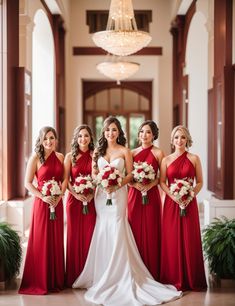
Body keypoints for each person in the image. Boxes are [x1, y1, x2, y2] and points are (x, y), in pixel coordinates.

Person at [72, 116, 182, 306]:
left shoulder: (125, 151)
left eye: (114, 130)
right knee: (103, 228)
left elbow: (130, 174)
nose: (110, 133)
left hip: (118, 194)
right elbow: (94, 174)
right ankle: (102, 273)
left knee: (117, 225)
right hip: (101, 195)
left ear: (119, 132)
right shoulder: (97, 151)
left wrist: (116, 184)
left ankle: (120, 273)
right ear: (103, 132)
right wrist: (103, 183)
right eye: (107, 130)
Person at [19, 126, 67, 295]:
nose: (49, 141)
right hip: (42, 204)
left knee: (55, 239)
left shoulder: (61, 157)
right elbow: (27, 183)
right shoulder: (35, 158)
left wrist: (59, 196)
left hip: (57, 203)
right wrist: (43, 196)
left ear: (56, 140)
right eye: (45, 138)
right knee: (41, 239)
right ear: (40, 140)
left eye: (52, 138)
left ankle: (55, 280)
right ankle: (40, 279)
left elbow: (64, 179)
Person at [160, 125, 207, 291]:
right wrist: (173, 197)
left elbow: (200, 181)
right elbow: (162, 182)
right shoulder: (165, 160)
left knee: (189, 238)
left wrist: (190, 195)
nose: (180, 140)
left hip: (189, 202)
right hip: (172, 204)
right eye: (177, 137)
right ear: (172, 140)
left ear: (187, 140)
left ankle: (192, 278)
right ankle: (173, 277)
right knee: (172, 238)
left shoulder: (194, 158)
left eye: (183, 137)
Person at [128, 120, 164, 280]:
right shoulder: (132, 153)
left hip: (152, 195)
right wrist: (136, 185)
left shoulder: (158, 153)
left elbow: (161, 178)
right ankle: (135, 269)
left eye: (148, 132)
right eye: (142, 132)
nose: (144, 135)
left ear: (154, 135)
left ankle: (153, 271)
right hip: (134, 196)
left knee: (152, 229)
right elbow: (127, 177)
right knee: (134, 230)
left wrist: (149, 186)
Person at [64, 125, 96, 287]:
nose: (83, 139)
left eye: (86, 136)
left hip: (91, 201)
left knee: (90, 235)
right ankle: (73, 275)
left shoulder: (96, 156)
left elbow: (98, 178)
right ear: (76, 139)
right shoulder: (70, 157)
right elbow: (66, 181)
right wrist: (76, 194)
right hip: (74, 202)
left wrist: (92, 193)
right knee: (74, 237)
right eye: (80, 136)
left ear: (91, 138)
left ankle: (90, 275)